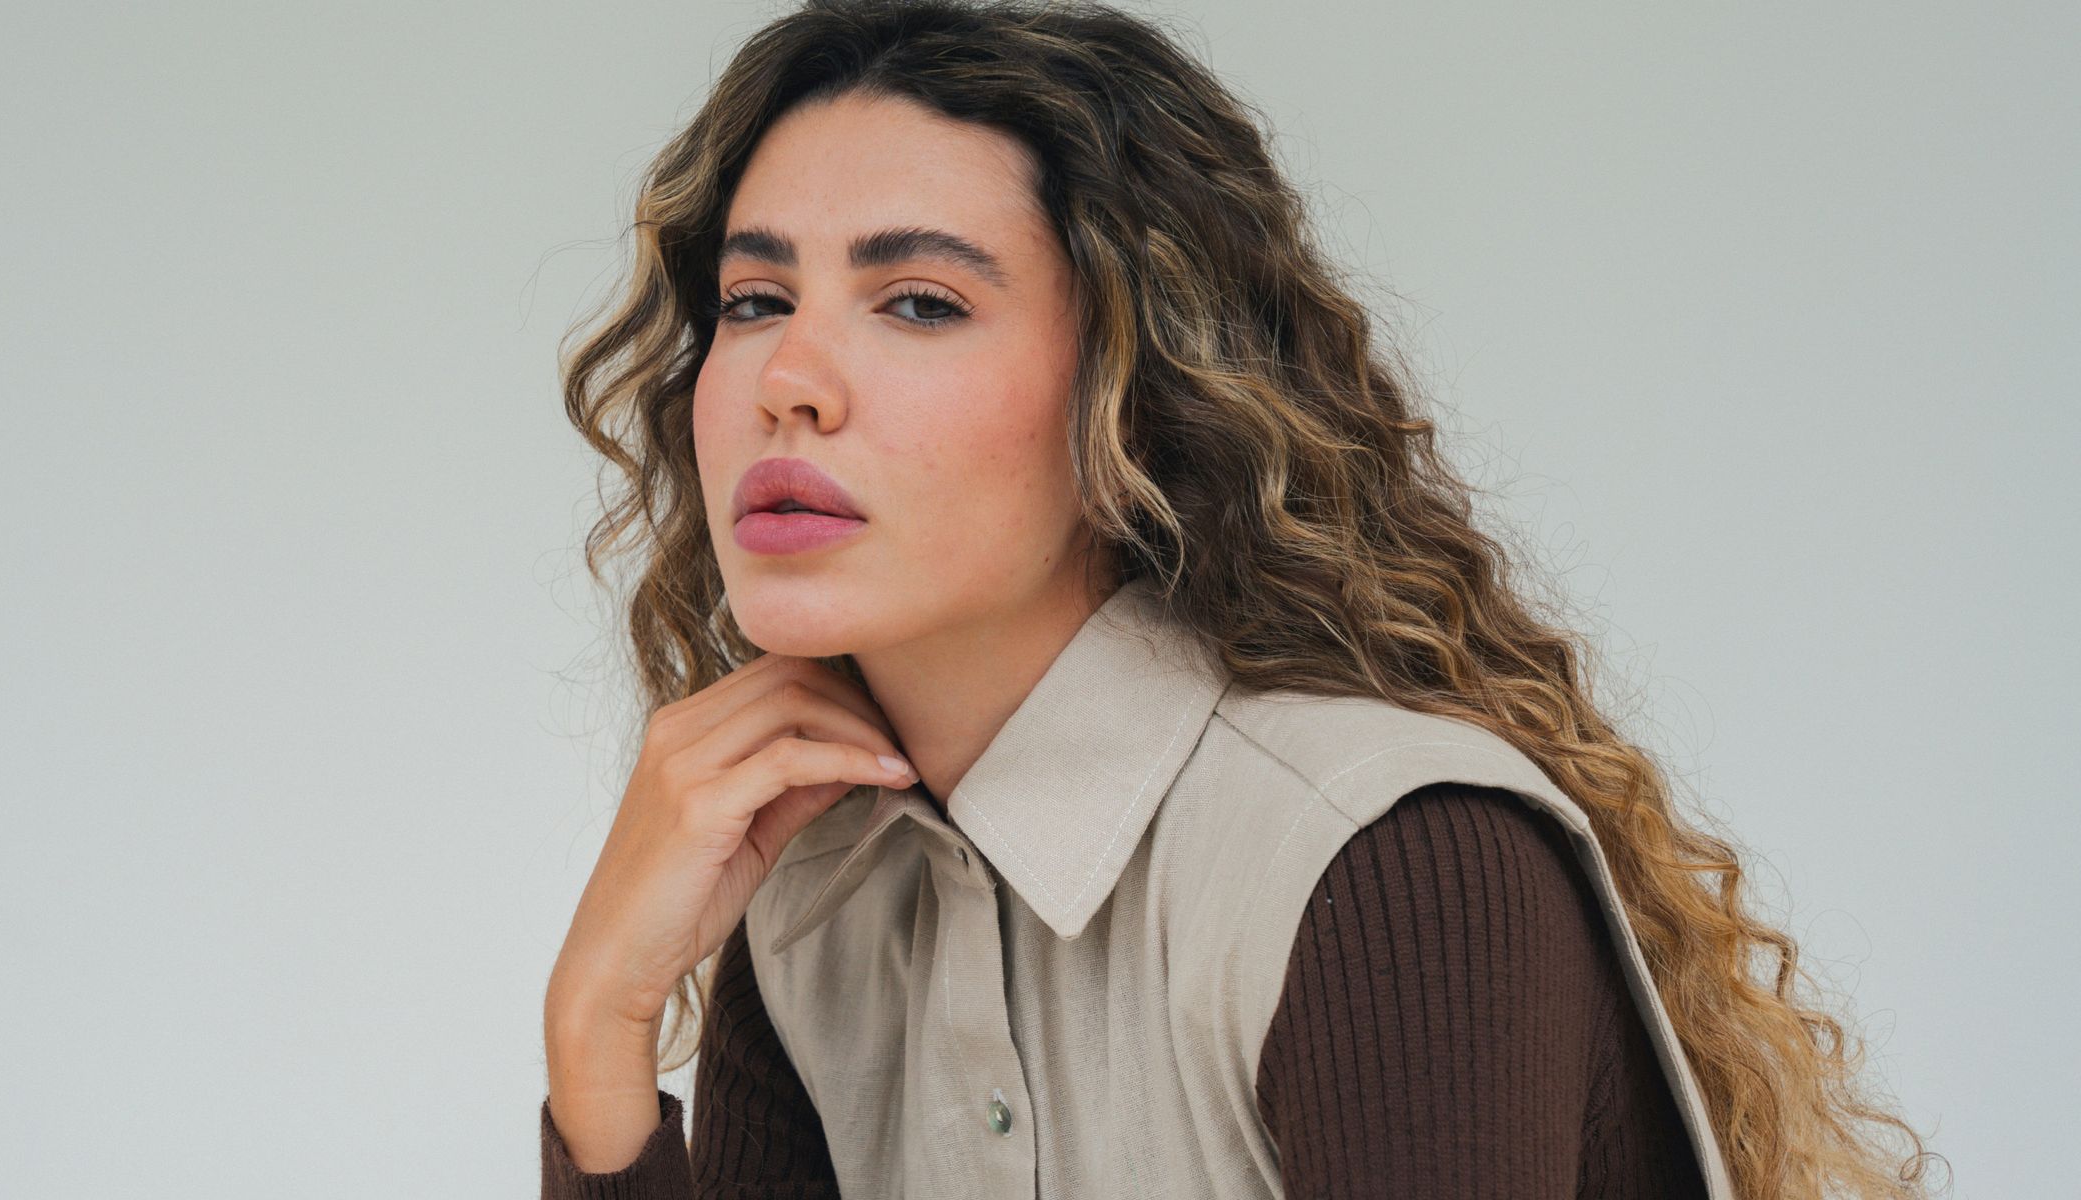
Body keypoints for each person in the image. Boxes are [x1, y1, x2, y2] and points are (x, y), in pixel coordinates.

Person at [538, 2, 1943, 1197]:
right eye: (753, 300)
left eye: (919, 303)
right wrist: (601, 1036)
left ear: (1133, 396)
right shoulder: (815, 903)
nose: (790, 379)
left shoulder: (1387, 862)